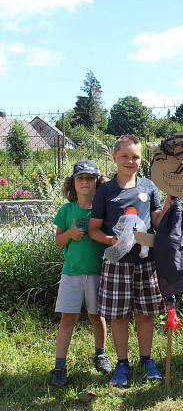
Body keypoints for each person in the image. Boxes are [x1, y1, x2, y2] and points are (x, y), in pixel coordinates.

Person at [89, 135, 168, 387]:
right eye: (124, 156)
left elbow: (157, 221)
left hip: (146, 263)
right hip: (117, 263)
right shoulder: (105, 190)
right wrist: (111, 240)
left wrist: (172, 198)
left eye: (135, 157)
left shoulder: (148, 187)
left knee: (145, 315)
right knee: (119, 316)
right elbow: (94, 230)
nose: (130, 161)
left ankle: (146, 360)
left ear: (141, 159)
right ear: (114, 158)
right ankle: (122, 363)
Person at [51, 160, 112, 387]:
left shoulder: (102, 211)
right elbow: (58, 241)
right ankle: (59, 365)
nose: (85, 182)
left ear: (98, 182)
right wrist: (69, 234)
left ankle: (101, 354)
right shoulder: (66, 210)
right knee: (68, 319)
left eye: (90, 178)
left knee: (97, 317)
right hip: (72, 274)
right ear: (73, 183)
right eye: (80, 178)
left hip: (98, 273)